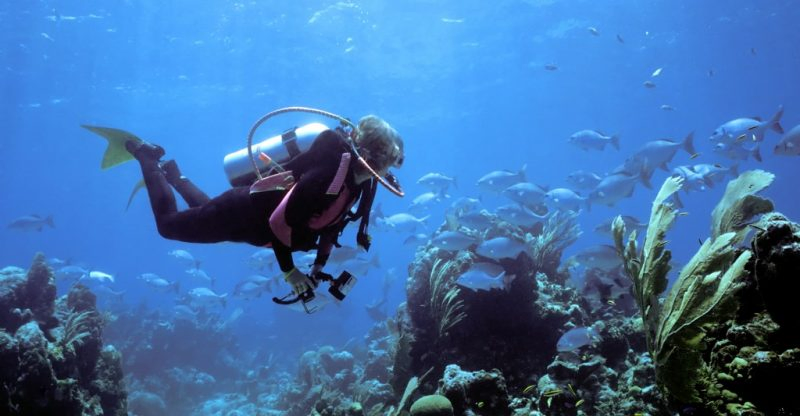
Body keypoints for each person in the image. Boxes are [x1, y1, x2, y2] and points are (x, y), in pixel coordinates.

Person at [125, 115, 404, 297]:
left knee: (207, 215)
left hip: (250, 227)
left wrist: (319, 265)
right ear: (371, 157)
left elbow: (334, 224)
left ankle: (175, 176)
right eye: (388, 162)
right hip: (240, 212)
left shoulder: (359, 182)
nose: (387, 171)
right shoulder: (330, 173)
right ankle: (147, 157)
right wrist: (290, 272)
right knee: (168, 225)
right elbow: (279, 221)